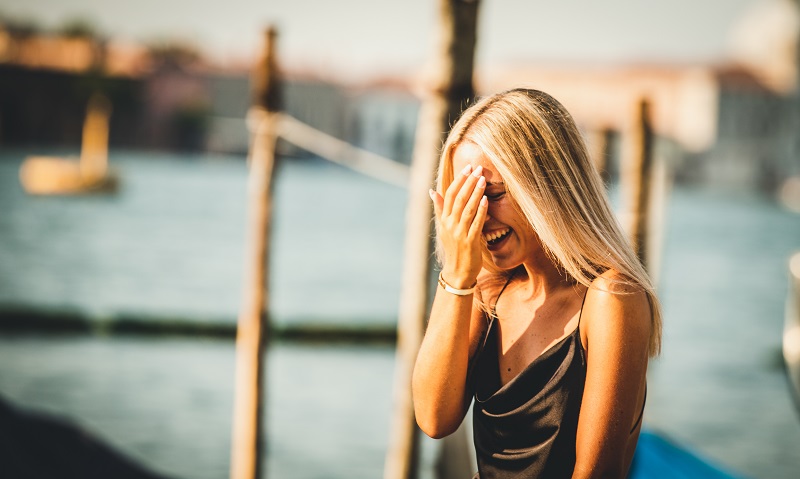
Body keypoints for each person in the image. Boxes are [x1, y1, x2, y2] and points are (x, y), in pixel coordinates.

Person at [412, 88, 662, 479]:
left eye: (491, 194)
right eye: (465, 199)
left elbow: (598, 472)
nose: (478, 216)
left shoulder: (612, 299)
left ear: (545, 184)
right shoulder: (487, 291)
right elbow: (433, 418)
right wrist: (458, 275)